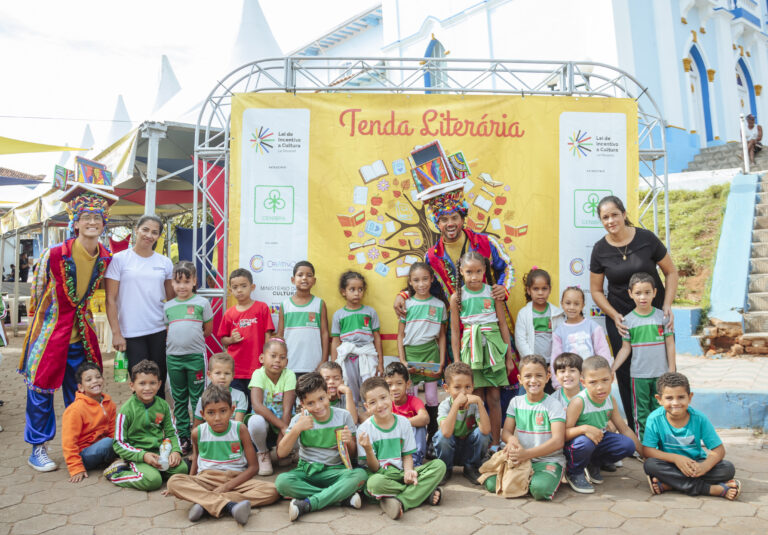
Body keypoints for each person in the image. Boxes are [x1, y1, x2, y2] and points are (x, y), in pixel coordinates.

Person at [20, 184, 117, 471]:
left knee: (85, 390)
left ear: (103, 223)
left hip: (81, 335)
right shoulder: (53, 254)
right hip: (51, 333)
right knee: (40, 389)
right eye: (86, 217)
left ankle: (84, 443)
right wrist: (38, 330)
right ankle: (38, 448)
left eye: (97, 217)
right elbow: (37, 294)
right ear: (75, 221)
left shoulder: (105, 257)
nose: (91, 222)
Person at [590, 195, 678, 433]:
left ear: (624, 213)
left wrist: (667, 305)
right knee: (629, 377)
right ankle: (636, 433)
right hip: (622, 322)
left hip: (654, 317)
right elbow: (596, 291)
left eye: (614, 214)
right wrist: (614, 315)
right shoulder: (600, 249)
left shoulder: (646, 239)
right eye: (605, 217)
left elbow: (671, 272)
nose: (610, 220)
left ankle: (667, 429)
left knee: (663, 372)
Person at [165, 385, 280, 525]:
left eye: (223, 411)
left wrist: (226, 487)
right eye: (211, 413)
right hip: (207, 478)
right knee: (173, 481)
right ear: (203, 414)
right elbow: (196, 458)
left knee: (273, 490)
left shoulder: (240, 429)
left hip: (237, 478)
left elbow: (253, 467)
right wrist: (189, 482)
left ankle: (206, 503)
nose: (217, 418)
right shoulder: (197, 432)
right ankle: (230, 506)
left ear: (232, 410)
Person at [274, 372, 367, 522]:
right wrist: (297, 429)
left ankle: (308, 503)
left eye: (321, 399)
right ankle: (340, 497)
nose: (318, 406)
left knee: (360, 476)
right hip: (307, 471)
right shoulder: (299, 419)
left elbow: (353, 454)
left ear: (328, 394)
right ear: (302, 404)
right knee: (282, 482)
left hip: (335, 471)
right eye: (310, 403)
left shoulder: (343, 416)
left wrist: (349, 441)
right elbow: (281, 452)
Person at [106, 214, 174, 399]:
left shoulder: (164, 262)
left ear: (159, 236)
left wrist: (172, 326)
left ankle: (158, 421)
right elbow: (110, 299)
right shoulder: (119, 260)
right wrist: (116, 333)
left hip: (159, 330)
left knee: (158, 381)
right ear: (136, 230)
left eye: (154, 232)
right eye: (145, 230)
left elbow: (172, 299)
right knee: (141, 383)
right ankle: (140, 423)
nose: (149, 235)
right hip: (131, 333)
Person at [450, 251, 514, 448]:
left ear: (485, 270)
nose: (474, 276)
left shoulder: (493, 293)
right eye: (469, 272)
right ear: (461, 271)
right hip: (471, 350)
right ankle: (478, 444)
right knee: (475, 397)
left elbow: (503, 325)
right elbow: (454, 331)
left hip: (493, 349)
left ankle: (495, 443)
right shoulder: (456, 298)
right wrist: (457, 363)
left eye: (479, 271)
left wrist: (509, 357)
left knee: (494, 397)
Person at [642, 372, 741, 500]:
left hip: (696, 465)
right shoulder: (655, 419)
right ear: (659, 399)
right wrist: (676, 459)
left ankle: (671, 484)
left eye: (681, 397)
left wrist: (705, 466)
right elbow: (647, 450)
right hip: (671, 464)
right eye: (669, 398)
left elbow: (719, 450)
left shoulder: (699, 419)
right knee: (650, 465)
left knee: (727, 469)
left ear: (690, 397)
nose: (675, 403)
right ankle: (710, 489)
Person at [358, 377, 446, 519]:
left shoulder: (403, 423)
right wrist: (368, 449)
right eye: (373, 402)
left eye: (383, 398)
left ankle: (398, 500)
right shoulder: (364, 430)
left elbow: (407, 455)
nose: (380, 405)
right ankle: (422, 494)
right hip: (381, 476)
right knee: (373, 484)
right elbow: (373, 469)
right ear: (367, 407)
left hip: (400, 474)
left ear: (390, 396)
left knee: (439, 465)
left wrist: (409, 471)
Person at [489, 355, 565, 501]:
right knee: (492, 483)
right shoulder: (516, 402)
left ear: (548, 377)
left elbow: (558, 441)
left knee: (540, 490)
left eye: (539, 376)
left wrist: (526, 454)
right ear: (519, 379)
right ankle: (524, 480)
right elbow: (506, 432)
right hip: (521, 459)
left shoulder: (553, 405)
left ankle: (536, 479)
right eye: (528, 376)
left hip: (547, 460)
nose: (533, 380)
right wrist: (511, 441)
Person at [105, 359, 188, 490]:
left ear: (159, 384)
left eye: (152, 383)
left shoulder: (163, 405)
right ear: (132, 385)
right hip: (137, 455)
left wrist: (176, 451)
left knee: (182, 469)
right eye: (142, 383)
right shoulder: (126, 410)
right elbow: (118, 443)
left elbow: (172, 433)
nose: (148, 388)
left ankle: (156, 471)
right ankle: (117, 473)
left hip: (159, 452)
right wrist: (143, 455)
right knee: (153, 481)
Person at [564, 356, 641, 494]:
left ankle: (594, 463)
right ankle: (574, 472)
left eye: (605, 380)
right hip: (579, 442)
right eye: (593, 382)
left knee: (628, 445)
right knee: (585, 443)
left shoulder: (610, 400)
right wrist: (584, 429)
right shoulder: (579, 402)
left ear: (612, 378)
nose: (600, 387)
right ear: (583, 382)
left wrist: (643, 453)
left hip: (599, 438)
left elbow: (623, 428)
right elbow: (564, 434)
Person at [612, 272, 676, 439]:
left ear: (655, 293)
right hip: (638, 376)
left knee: (661, 411)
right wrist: (612, 369)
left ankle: (662, 443)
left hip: (661, 375)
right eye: (638, 293)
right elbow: (625, 348)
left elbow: (670, 344)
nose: (643, 297)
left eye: (647, 292)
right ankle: (645, 447)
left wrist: (671, 370)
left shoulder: (662, 317)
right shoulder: (628, 321)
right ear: (630, 294)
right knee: (641, 413)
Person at [164, 261, 213, 455]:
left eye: (187, 281)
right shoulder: (168, 306)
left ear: (194, 281)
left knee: (198, 397)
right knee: (179, 398)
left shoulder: (202, 303)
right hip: (173, 358)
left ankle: (199, 433)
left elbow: (207, 330)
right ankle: (183, 436)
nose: (182, 286)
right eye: (178, 282)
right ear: (172, 283)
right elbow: (170, 331)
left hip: (196, 357)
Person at [397, 262, 447, 440]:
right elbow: (400, 335)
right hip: (411, 354)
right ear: (410, 282)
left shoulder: (439, 305)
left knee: (432, 397)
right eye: (416, 280)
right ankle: (411, 436)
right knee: (410, 394)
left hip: (430, 354)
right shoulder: (406, 305)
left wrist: (442, 361)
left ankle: (432, 436)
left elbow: (441, 336)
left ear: (432, 279)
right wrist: (402, 361)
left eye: (425, 279)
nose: (421, 284)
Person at [218, 268, 275, 410]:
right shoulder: (229, 313)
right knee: (237, 406)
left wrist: (266, 359)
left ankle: (256, 431)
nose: (240, 290)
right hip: (235, 369)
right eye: (235, 287)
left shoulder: (262, 308)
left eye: (244, 286)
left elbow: (268, 335)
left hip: (257, 368)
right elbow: (223, 340)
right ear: (230, 290)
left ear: (252, 287)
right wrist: (231, 340)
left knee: (256, 406)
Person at [433, 362, 491, 485]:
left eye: (468, 387)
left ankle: (471, 467)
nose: (463, 392)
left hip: (469, 449)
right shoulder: (445, 405)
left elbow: (486, 431)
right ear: (446, 388)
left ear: (473, 387)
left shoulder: (475, 404)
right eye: (457, 387)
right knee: (441, 436)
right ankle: (445, 469)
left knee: (483, 435)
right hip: (450, 450)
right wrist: (455, 405)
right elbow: (446, 433)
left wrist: (480, 403)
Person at [330, 271, 383, 404]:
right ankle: (352, 421)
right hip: (347, 358)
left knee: (369, 391)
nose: (357, 293)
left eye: (360, 289)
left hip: (367, 356)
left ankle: (370, 420)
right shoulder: (339, 315)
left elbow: (376, 337)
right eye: (352, 289)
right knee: (350, 393)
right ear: (343, 291)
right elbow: (336, 340)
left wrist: (380, 363)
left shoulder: (370, 312)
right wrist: (334, 365)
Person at [248, 338, 296, 476]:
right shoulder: (258, 374)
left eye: (282, 357)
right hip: (266, 423)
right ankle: (263, 453)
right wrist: (282, 427)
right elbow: (257, 406)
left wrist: (283, 437)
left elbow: (288, 408)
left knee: (300, 421)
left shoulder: (289, 374)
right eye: (273, 356)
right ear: (262, 358)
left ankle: (288, 452)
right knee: (255, 421)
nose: (277, 360)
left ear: (286, 362)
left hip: (284, 419)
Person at [62, 362, 117, 483]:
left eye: (98, 377)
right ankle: (114, 459)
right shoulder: (75, 410)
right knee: (108, 443)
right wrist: (76, 468)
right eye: (89, 379)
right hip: (84, 455)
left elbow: (113, 430)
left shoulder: (109, 404)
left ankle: (115, 458)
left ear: (103, 380)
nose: (95, 381)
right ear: (81, 387)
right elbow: (68, 442)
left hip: (102, 447)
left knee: (121, 437)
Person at [550, 286, 611, 388]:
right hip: (569, 381)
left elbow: (603, 353)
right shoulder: (559, 332)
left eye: (577, 304)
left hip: (592, 379)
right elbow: (555, 359)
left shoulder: (593, 327)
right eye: (568, 303)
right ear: (562, 304)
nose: (572, 307)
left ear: (583, 305)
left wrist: (604, 376)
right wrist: (557, 383)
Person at [277, 261, 329, 376]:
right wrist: (280, 360)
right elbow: (280, 336)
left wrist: (324, 361)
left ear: (314, 281)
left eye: (309, 275)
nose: (304, 278)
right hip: (289, 365)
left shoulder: (319, 304)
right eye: (300, 275)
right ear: (293, 279)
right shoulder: (285, 305)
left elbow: (324, 334)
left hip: (314, 365)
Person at [515, 268, 564, 367]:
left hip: (553, 364)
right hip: (531, 364)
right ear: (529, 290)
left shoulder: (557, 313)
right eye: (536, 289)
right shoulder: (523, 314)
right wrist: (531, 360)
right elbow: (520, 340)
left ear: (549, 289)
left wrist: (556, 361)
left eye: (544, 288)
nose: (540, 293)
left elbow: (561, 338)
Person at [384, 362, 430, 466]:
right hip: (393, 447)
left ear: (408, 384)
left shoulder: (414, 401)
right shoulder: (386, 404)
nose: (394, 388)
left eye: (399, 383)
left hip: (411, 446)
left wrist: (401, 422)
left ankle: (415, 460)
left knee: (420, 426)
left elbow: (425, 418)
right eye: (389, 385)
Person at [192, 352, 247, 428]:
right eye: (218, 373)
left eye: (227, 373)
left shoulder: (239, 396)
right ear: (209, 375)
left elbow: (238, 426)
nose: (222, 377)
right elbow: (196, 428)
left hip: (232, 436)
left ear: (233, 375)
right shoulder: (203, 398)